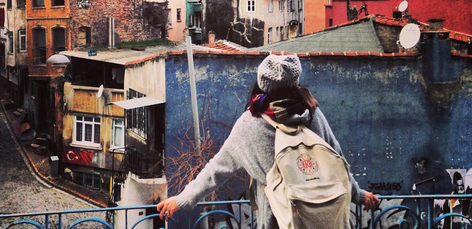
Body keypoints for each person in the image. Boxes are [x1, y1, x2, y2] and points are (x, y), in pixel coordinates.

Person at [158, 54, 379, 227]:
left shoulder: (250, 124)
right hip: (324, 215)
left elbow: (216, 170)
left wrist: (182, 200)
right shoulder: (312, 113)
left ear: (262, 83)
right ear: (295, 81)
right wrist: (358, 195)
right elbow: (337, 158)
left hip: (280, 218)